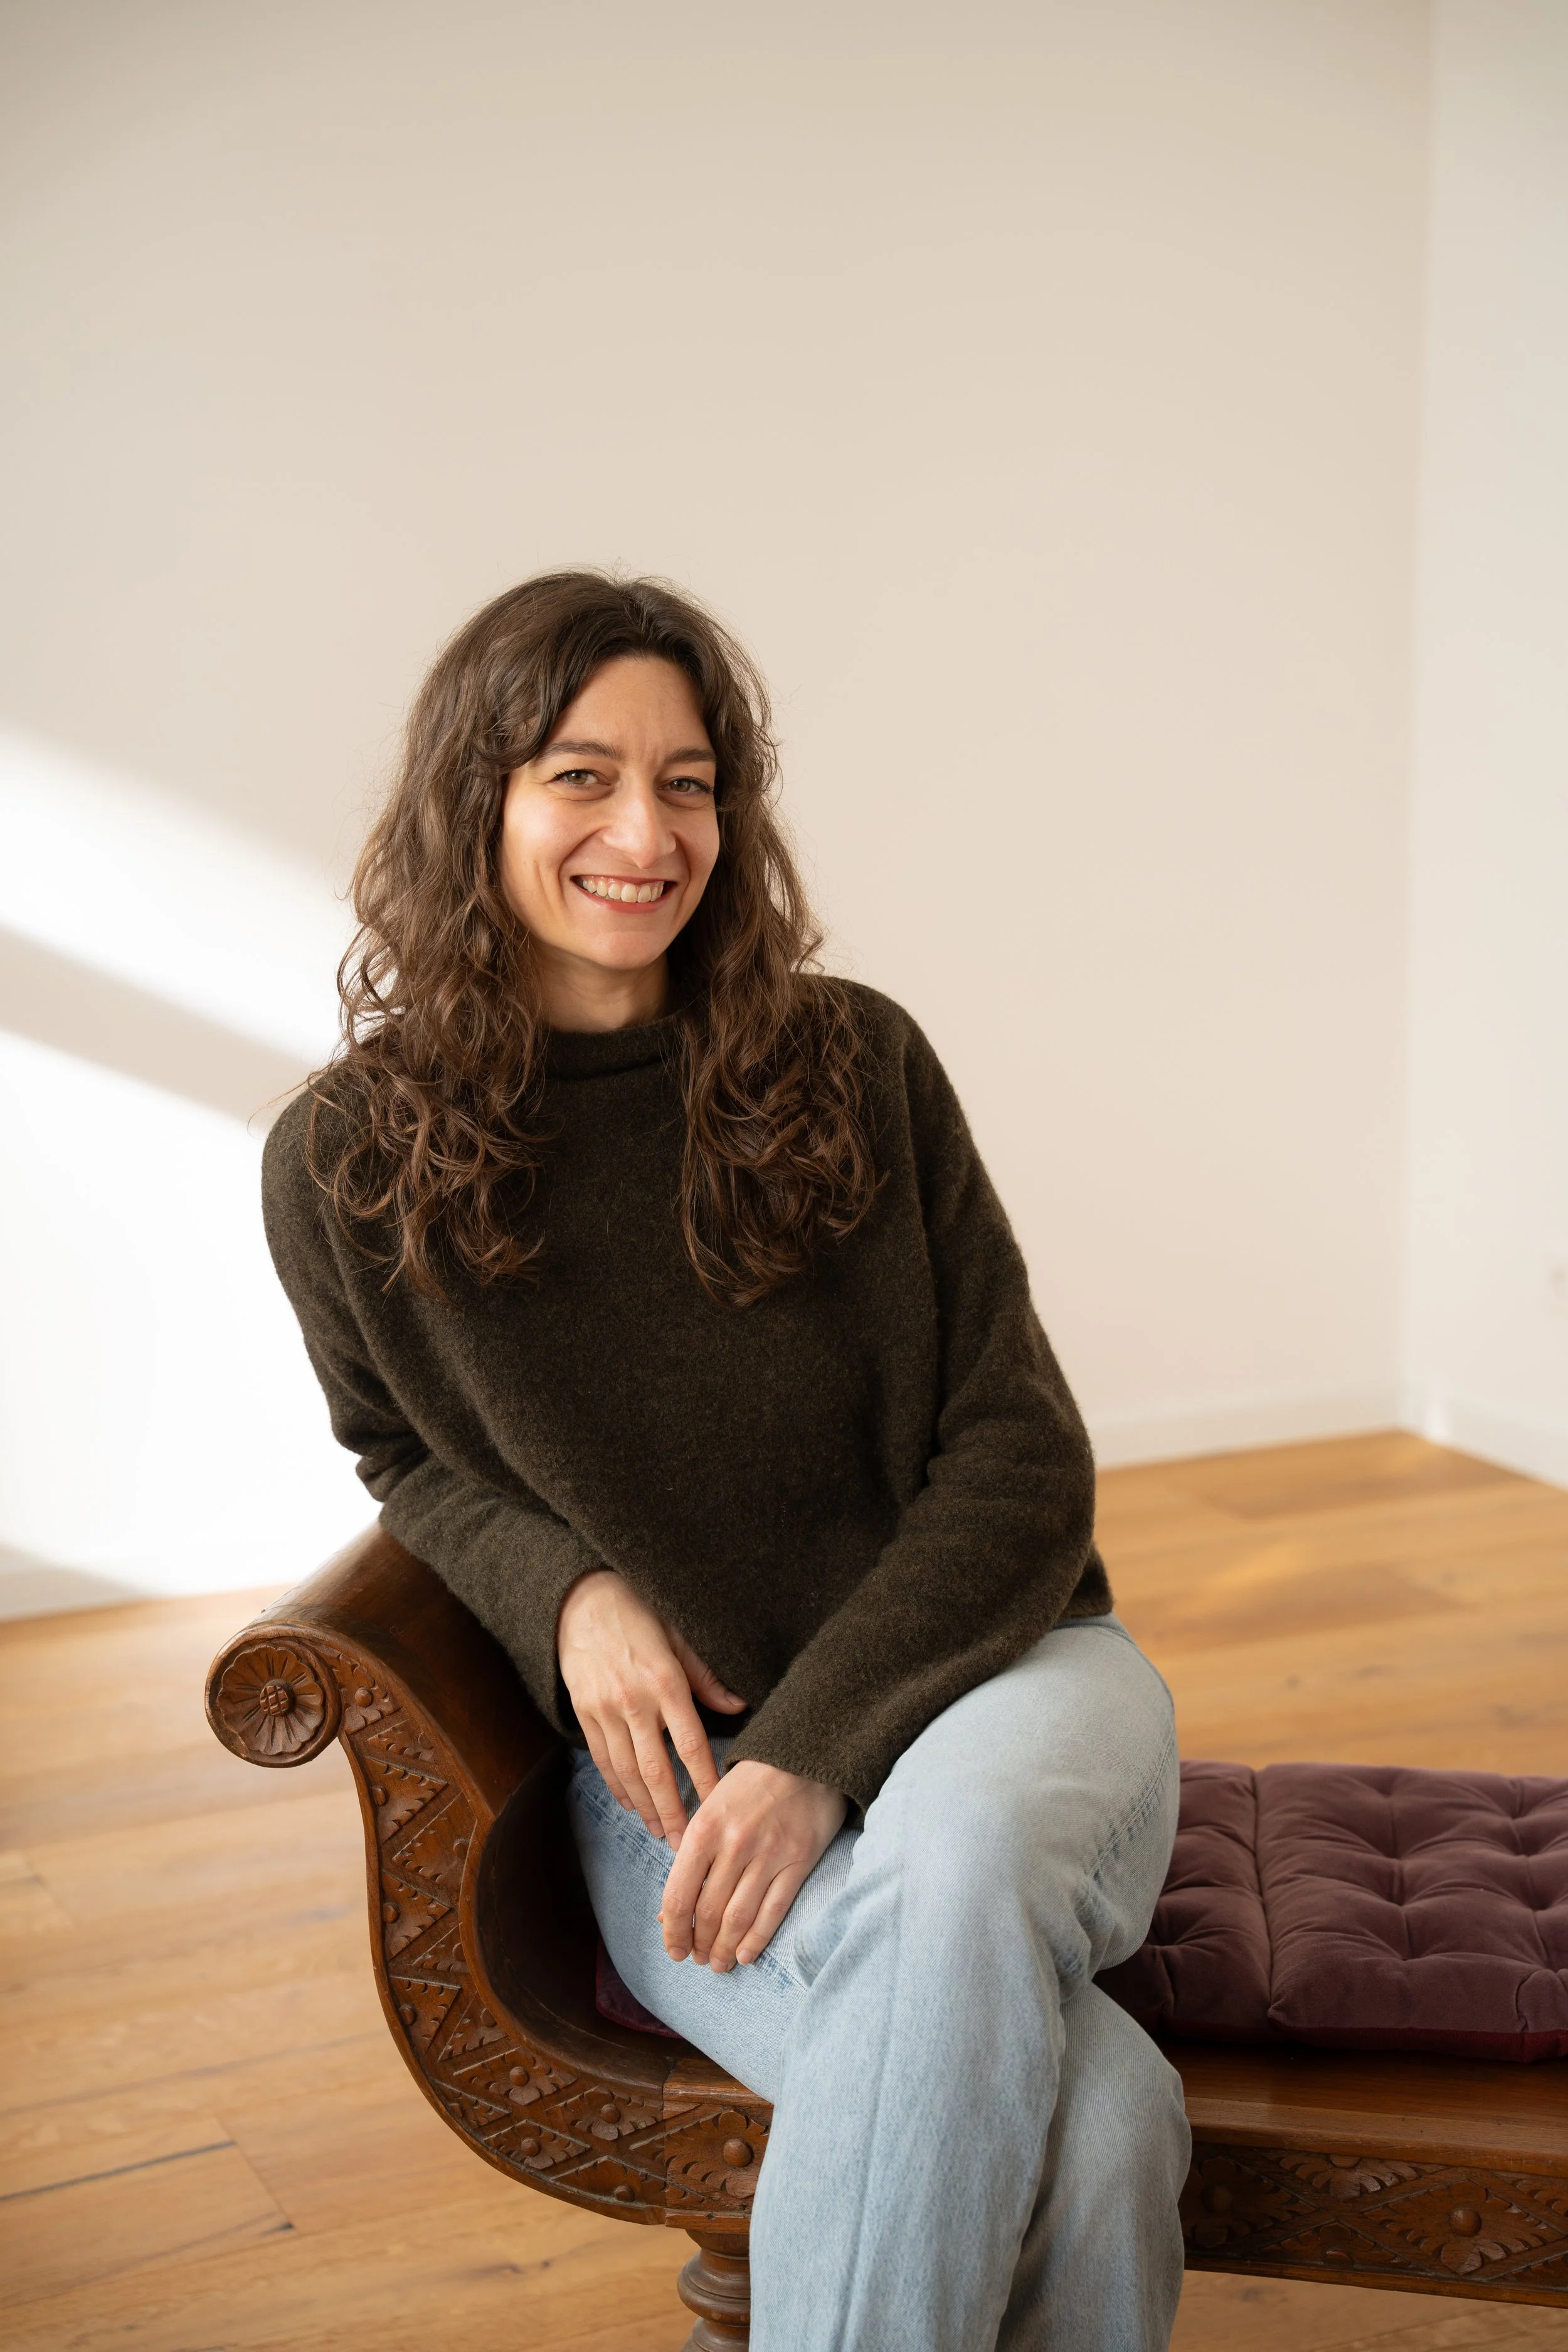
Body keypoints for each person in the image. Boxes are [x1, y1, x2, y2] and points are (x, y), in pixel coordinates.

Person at [262, 571, 1189, 2351]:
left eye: (688, 781)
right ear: (480, 799)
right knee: (1098, 2118)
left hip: (1015, 1683)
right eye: (581, 774)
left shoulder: (852, 1063)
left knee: (972, 1841)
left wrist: (820, 1754)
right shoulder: (344, 1160)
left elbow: (1017, 1456)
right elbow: (401, 1451)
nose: (644, 829)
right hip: (674, 1783)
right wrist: (571, 1591)